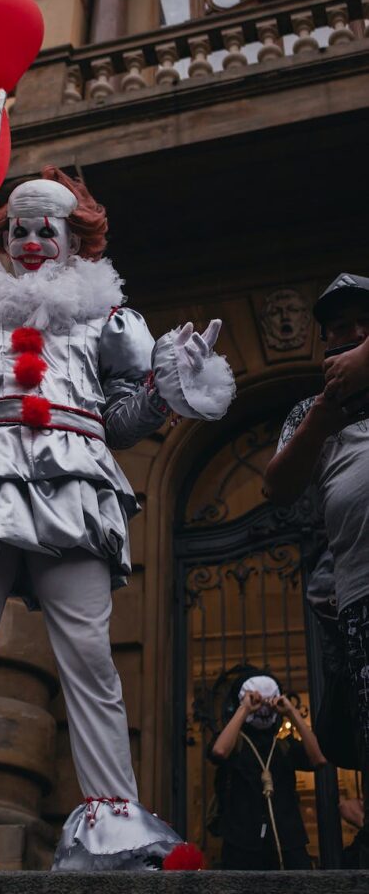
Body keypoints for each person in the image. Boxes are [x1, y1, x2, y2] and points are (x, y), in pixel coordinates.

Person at [0, 167, 235, 872]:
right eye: (18, 229)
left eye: (47, 229)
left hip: (73, 481)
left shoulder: (108, 320)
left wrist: (169, 384)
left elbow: (122, 423)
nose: (32, 240)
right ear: (3, 237)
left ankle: (111, 824)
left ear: (75, 238)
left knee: (91, 659)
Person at [264, 272, 369, 863]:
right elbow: (278, 486)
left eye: (363, 324)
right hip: (359, 596)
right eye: (339, 328)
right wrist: (323, 417)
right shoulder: (312, 409)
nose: (352, 334)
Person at [209, 672, 325, 869]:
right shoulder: (235, 743)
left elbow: (318, 759)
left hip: (287, 840)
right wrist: (245, 708)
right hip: (242, 842)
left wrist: (292, 712)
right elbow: (219, 751)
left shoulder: (283, 746)